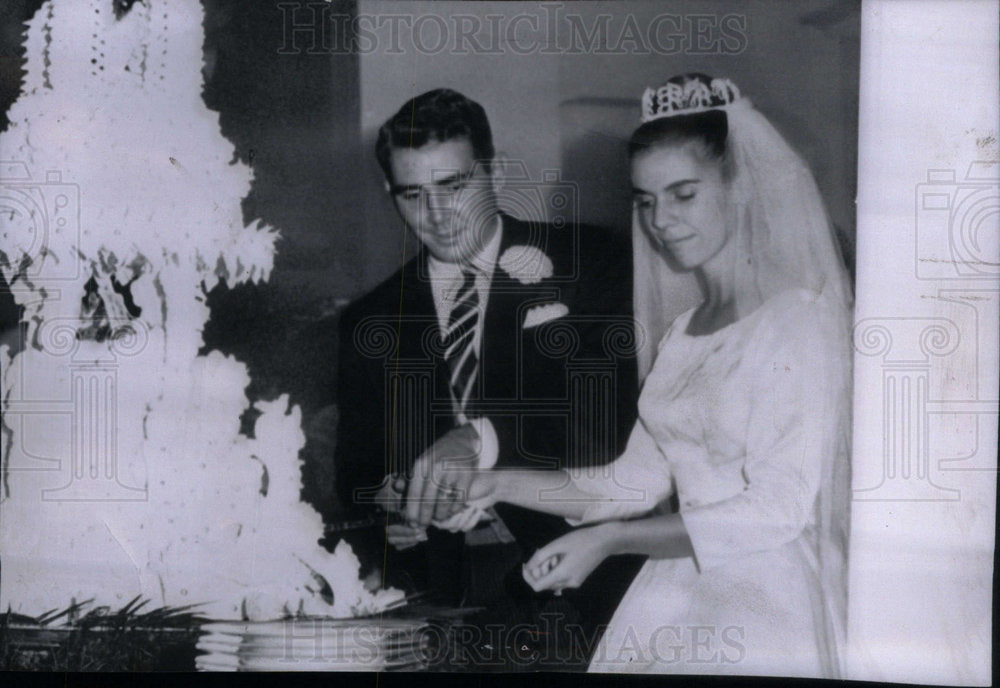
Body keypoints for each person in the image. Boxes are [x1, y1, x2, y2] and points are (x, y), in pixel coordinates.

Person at [409, 74, 853, 676]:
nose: (660, 220)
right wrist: (498, 482)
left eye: (684, 194)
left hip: (761, 605)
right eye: (645, 201)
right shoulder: (682, 332)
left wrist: (612, 540)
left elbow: (777, 510)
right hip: (676, 591)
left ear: (741, 188)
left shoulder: (795, 322)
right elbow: (628, 484)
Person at [333, 88, 643, 666]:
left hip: (582, 587)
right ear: (390, 195)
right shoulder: (370, 319)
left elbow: (607, 425)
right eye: (413, 195)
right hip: (437, 608)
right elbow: (355, 476)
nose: (439, 216)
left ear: (493, 171)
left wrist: (477, 438)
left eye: (453, 187)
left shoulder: (590, 261)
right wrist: (395, 502)